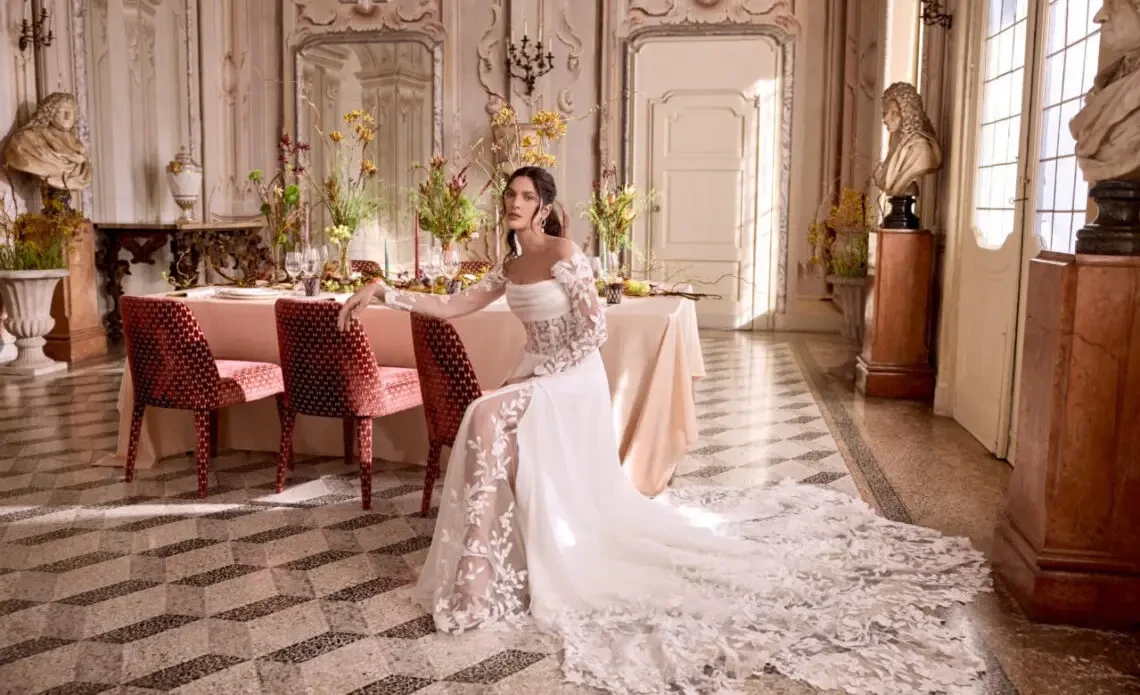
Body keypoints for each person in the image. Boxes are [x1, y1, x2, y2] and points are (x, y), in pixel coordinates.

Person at [338, 166, 990, 694]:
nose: (513, 203)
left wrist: (541, 374)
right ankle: (480, 576)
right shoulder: (506, 267)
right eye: (508, 195)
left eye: (526, 196)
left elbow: (592, 329)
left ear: (545, 208)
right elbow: (451, 304)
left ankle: (493, 574)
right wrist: (383, 293)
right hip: (539, 375)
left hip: (573, 380)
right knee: (487, 422)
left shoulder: (565, 253)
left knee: (483, 413)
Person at [2, 92, 94, 191]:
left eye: (71, 112)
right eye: (61, 111)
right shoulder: (26, 139)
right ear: (49, 112)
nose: (67, 116)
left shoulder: (79, 150)